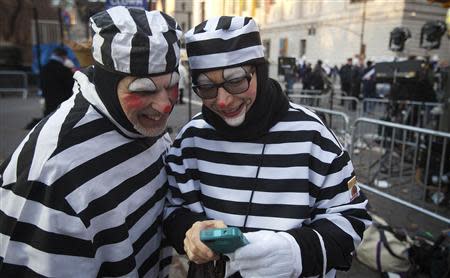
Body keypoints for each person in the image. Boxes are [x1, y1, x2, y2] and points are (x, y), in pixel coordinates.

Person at [163, 16, 371, 278]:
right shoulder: (190, 139)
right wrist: (189, 231)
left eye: (236, 81)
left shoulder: (313, 136)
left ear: (258, 71)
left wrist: (295, 252)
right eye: (206, 87)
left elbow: (352, 218)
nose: (224, 101)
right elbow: (172, 208)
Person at [0, 6, 182, 277]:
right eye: (144, 90)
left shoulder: (138, 123)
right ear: (108, 85)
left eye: (172, 85)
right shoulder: (55, 168)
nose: (165, 105)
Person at [40, 47, 75, 116]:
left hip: (48, 98)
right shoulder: (64, 69)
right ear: (64, 56)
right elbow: (71, 84)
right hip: (62, 99)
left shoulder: (44, 68)